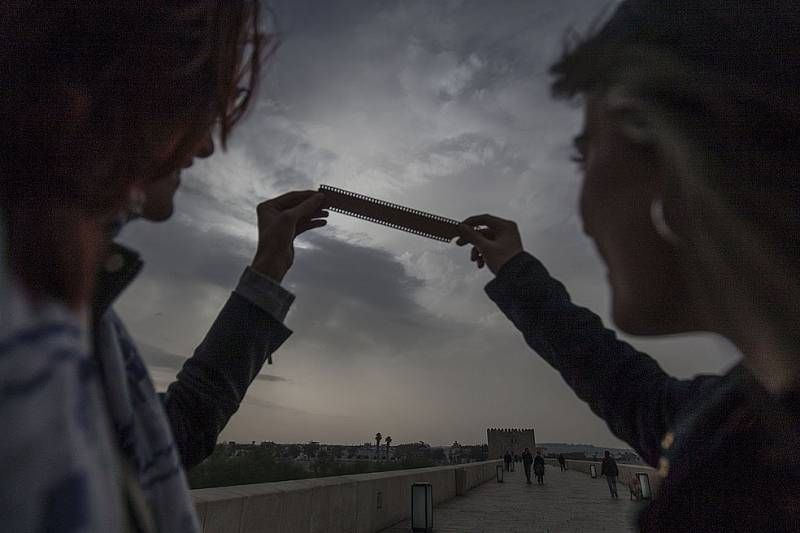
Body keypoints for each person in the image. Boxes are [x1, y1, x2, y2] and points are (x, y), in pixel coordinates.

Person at [456, 1, 800, 530]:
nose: (585, 211)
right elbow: (629, 389)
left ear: (675, 151)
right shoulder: (738, 422)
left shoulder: (755, 469)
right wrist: (518, 273)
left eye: (587, 153)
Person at [0, 2, 322, 531]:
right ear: (123, 78)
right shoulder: (27, 325)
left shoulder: (64, 313)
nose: (207, 144)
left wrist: (267, 270)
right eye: (205, 98)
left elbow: (172, 435)